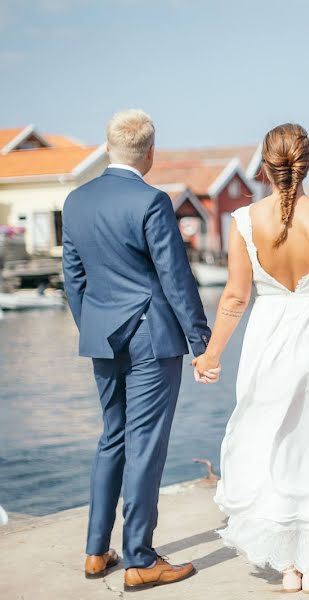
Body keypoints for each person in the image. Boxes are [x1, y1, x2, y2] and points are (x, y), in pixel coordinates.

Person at [192, 123, 309, 593]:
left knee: (273, 448)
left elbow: (235, 297)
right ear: (308, 164)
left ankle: (287, 568)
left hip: (267, 339)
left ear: (264, 166)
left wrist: (211, 354)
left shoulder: (243, 221)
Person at [62, 109, 215, 591]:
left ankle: (94, 551)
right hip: (152, 337)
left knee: (113, 437)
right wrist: (201, 343)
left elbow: (73, 278)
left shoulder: (75, 201)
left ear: (108, 146)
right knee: (145, 446)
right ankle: (140, 559)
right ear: (151, 151)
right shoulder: (152, 202)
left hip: (102, 336)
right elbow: (175, 279)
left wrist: (92, 325)